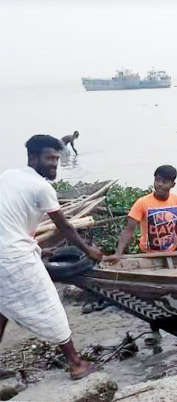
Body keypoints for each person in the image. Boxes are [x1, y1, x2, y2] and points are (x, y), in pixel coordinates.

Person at [0, 135, 102, 380]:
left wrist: (35, 246)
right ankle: (76, 363)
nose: (54, 164)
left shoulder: (7, 176)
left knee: (2, 307)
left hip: (6, 252)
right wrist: (89, 251)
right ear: (33, 158)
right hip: (13, 258)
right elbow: (64, 227)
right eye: (49, 158)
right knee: (50, 305)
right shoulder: (42, 187)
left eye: (57, 158)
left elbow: (10, 221)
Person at [108, 165, 177, 258]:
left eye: (164, 182)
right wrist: (118, 253)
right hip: (147, 253)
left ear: (172, 184)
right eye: (157, 180)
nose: (160, 184)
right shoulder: (142, 203)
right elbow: (128, 230)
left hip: (171, 251)